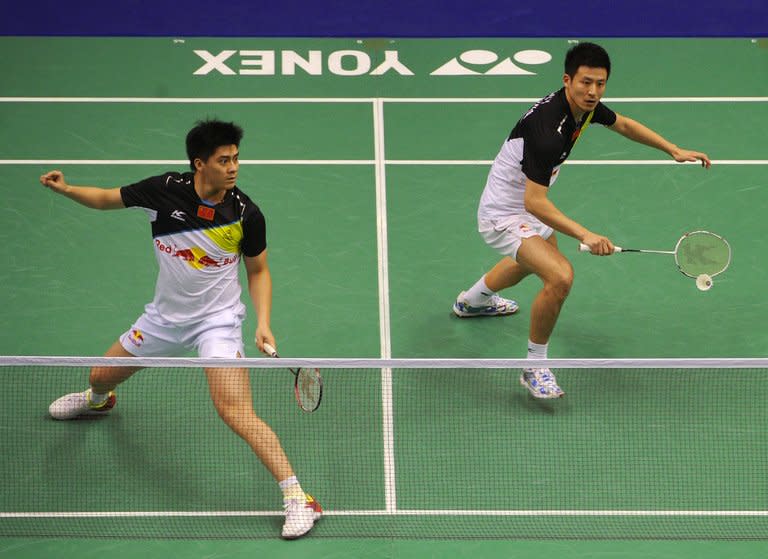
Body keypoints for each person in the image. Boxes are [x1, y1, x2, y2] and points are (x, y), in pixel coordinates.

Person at [41, 119, 321, 539]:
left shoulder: (245, 214)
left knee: (235, 412)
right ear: (199, 164)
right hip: (164, 319)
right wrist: (66, 189)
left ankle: (300, 498)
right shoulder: (165, 191)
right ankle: (99, 402)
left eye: (236, 158)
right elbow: (105, 199)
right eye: (224, 160)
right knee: (98, 376)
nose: (234, 168)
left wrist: (262, 322)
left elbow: (258, 271)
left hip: (217, 323)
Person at [453, 42, 710, 399]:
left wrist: (673, 149)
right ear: (567, 80)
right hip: (504, 213)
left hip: (525, 206)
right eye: (586, 83)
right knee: (559, 277)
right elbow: (535, 202)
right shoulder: (547, 132)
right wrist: (586, 234)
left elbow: (623, 125)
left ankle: (473, 301)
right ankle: (533, 366)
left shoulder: (582, 108)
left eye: (600, 84)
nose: (593, 91)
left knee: (534, 264)